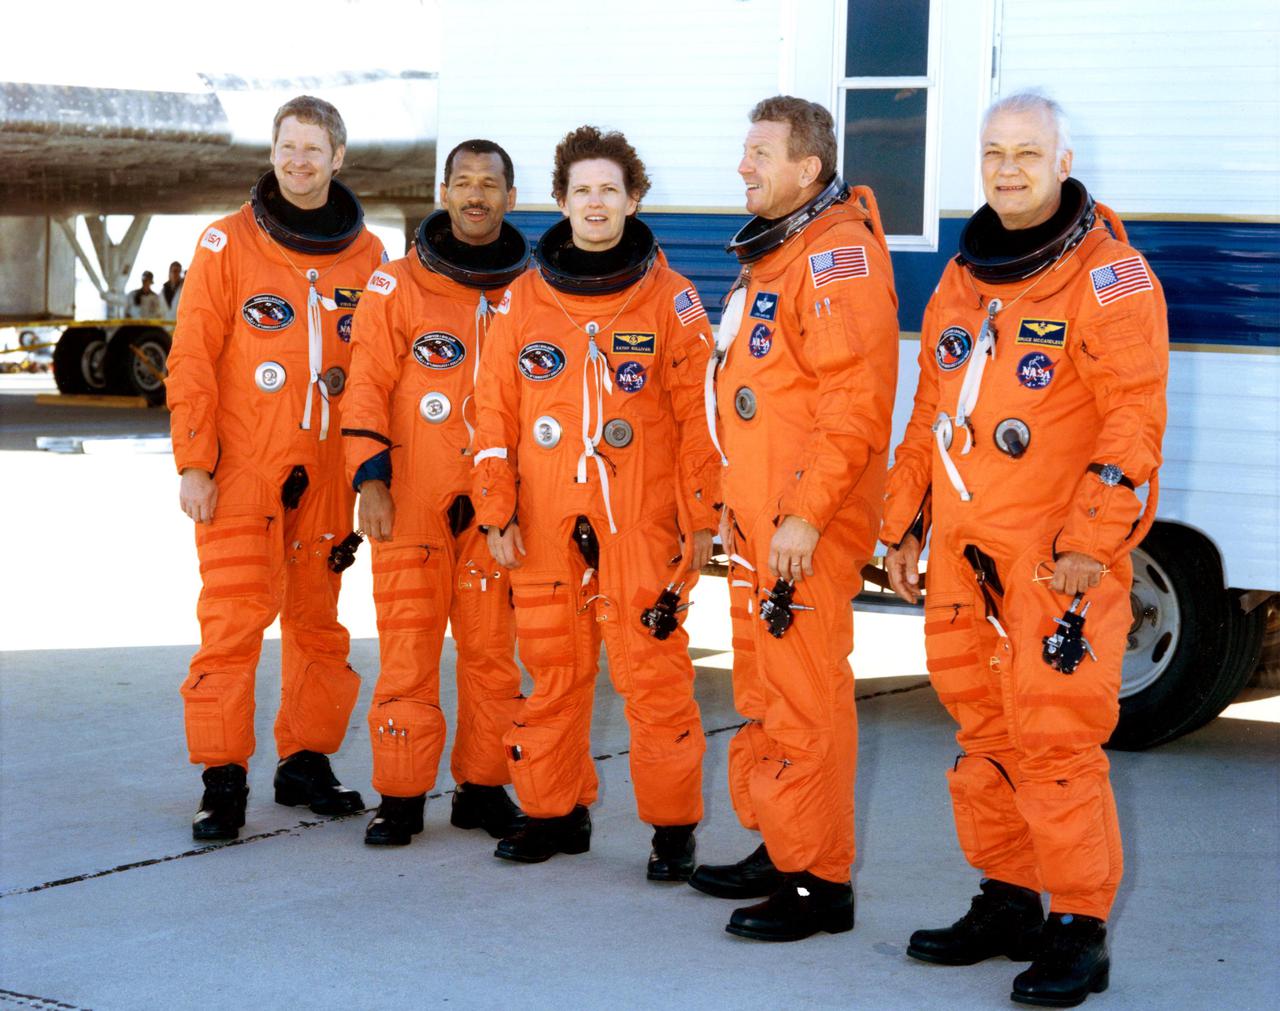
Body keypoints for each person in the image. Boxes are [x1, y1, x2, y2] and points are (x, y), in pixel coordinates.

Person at [881, 91, 1167, 1007]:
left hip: (1055, 560)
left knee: (1055, 741)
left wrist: (1091, 540)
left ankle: (1079, 927)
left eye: (1028, 153)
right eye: (994, 152)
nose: (1008, 169)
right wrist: (903, 522)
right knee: (984, 736)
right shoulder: (966, 276)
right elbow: (932, 410)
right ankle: (1007, 898)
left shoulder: (1109, 277)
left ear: (1063, 161)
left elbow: (1133, 419)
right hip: (966, 557)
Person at [472, 126, 719, 877]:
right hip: (545, 516)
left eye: (610, 189)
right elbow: (492, 414)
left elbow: (699, 418)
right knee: (553, 667)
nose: (596, 202)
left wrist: (702, 516)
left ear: (634, 199)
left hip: (639, 517)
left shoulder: (672, 299)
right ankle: (554, 812)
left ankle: (672, 829)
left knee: (653, 673)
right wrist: (496, 508)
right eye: (582, 190)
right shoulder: (521, 300)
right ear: (561, 201)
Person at [687, 96, 899, 942]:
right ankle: (783, 845)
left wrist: (805, 517)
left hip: (801, 529)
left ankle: (819, 882)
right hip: (759, 525)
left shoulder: (837, 256)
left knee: (806, 700)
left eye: (760, 154)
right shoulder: (779, 254)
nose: (743, 166)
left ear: (808, 169)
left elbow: (853, 405)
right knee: (767, 695)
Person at [166, 95, 386, 842]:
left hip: (327, 473)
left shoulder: (368, 257)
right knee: (232, 622)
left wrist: (373, 473)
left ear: (337, 158)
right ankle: (222, 778)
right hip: (241, 469)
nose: (298, 160)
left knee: (318, 624)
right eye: (287, 146)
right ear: (272, 152)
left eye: (313, 148)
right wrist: (194, 463)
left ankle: (304, 761)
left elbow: (380, 376)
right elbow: (192, 359)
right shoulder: (226, 243)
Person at [342, 140, 530, 847]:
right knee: (408, 647)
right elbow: (366, 384)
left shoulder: (532, 291)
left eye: (490, 183)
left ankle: (482, 788)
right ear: (442, 191)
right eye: (464, 182)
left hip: (497, 505)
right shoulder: (397, 285)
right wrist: (371, 479)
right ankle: (400, 795)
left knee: (492, 653)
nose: (476, 195)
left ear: (510, 196)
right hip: (413, 497)